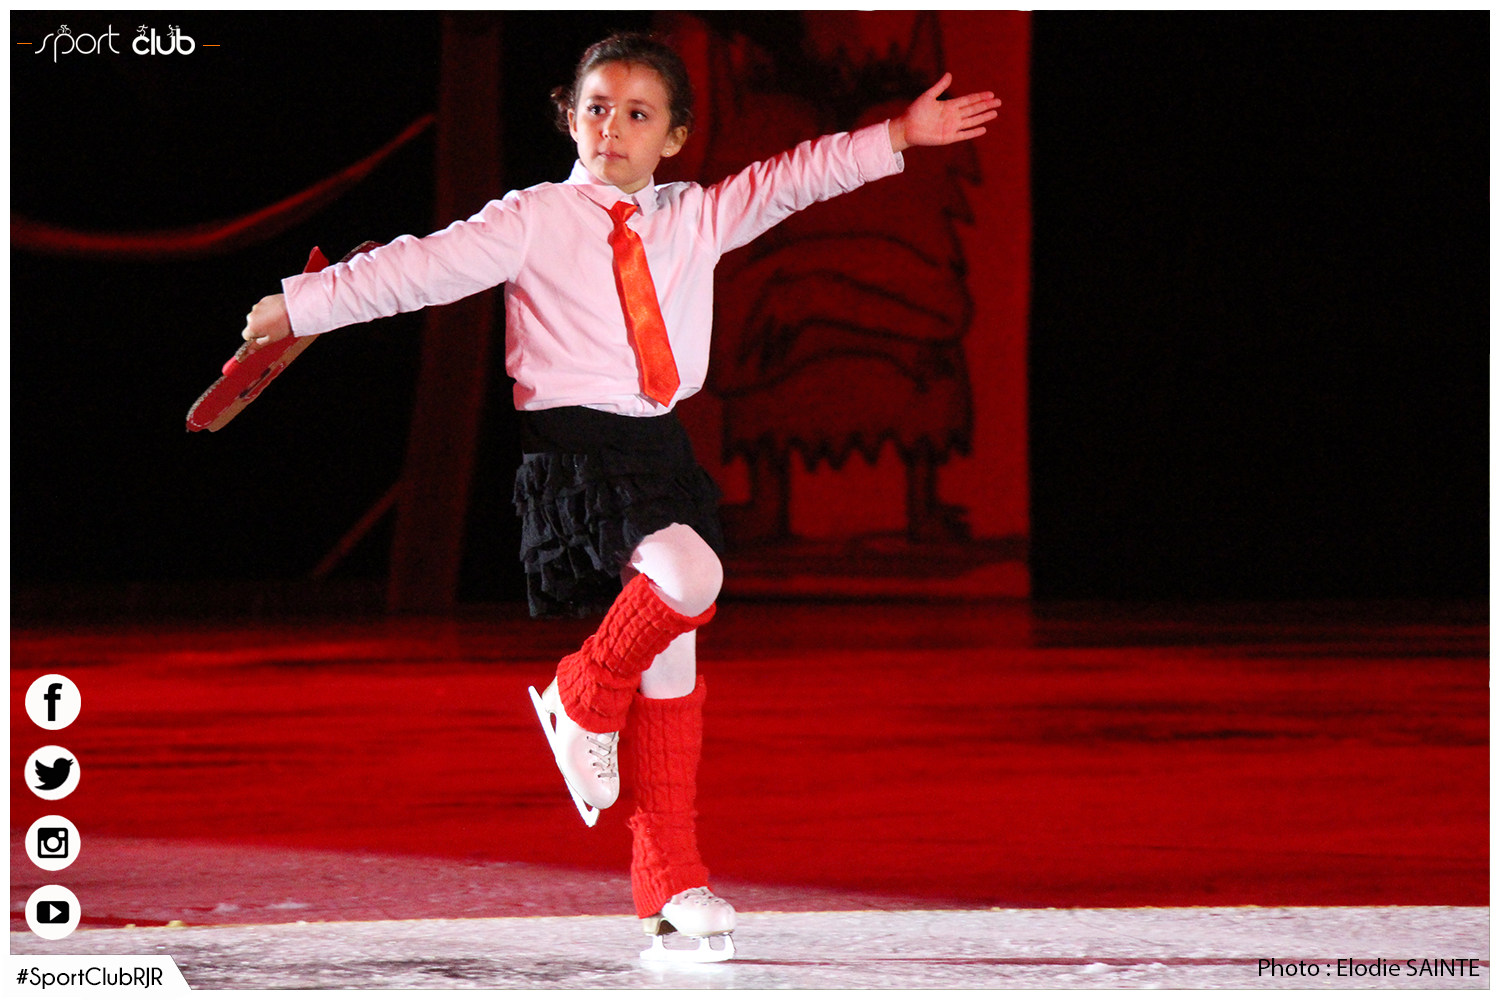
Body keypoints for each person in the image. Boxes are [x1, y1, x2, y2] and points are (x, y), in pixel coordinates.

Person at [241, 31, 1000, 960]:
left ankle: (670, 882)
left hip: (658, 450)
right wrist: (303, 304)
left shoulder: (697, 215)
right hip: (575, 453)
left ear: (674, 135)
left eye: (638, 114)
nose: (613, 127)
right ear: (570, 116)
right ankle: (581, 692)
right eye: (597, 107)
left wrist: (899, 136)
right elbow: (418, 267)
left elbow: (795, 177)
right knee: (691, 574)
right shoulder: (533, 217)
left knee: (673, 673)